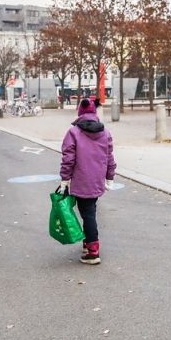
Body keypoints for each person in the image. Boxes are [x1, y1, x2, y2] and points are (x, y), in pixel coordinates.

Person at [58, 98, 116, 264]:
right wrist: (110, 176)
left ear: (80, 112)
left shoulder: (73, 132)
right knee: (89, 210)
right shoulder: (105, 132)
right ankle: (88, 242)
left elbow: (68, 158)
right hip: (96, 179)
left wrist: (65, 179)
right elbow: (109, 157)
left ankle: (92, 250)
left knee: (88, 213)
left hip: (80, 179)